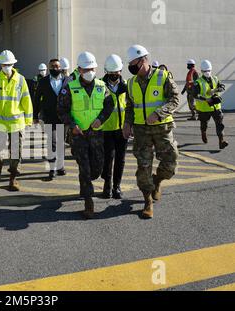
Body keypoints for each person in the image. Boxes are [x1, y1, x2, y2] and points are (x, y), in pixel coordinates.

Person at [122, 44, 180, 219]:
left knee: (171, 164)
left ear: (144, 59)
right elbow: (130, 106)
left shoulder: (162, 77)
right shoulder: (131, 83)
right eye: (130, 64)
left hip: (162, 129)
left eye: (134, 63)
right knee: (143, 166)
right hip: (141, 131)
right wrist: (127, 123)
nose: (132, 67)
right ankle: (147, 200)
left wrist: (158, 113)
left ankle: (158, 180)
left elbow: (175, 99)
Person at [58, 52, 114, 219]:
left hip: (96, 134)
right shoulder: (70, 86)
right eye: (86, 68)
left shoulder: (101, 86)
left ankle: (86, 182)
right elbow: (61, 109)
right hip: (79, 135)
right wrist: (72, 125)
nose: (89, 71)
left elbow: (109, 105)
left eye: (92, 68)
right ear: (79, 69)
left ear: (95, 68)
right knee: (85, 167)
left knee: (97, 168)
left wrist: (101, 119)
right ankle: (89, 201)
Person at [0, 50, 33, 191]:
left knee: (16, 152)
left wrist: (28, 120)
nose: (6, 66)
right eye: (4, 64)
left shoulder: (21, 80)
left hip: (16, 123)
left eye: (9, 64)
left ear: (13, 64)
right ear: (0, 65)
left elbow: (26, 99)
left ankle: (13, 178)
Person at [33, 59, 69, 180]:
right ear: (49, 68)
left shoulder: (68, 81)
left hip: (64, 117)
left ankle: (60, 167)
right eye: (52, 67)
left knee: (61, 143)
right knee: (52, 142)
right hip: (49, 117)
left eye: (57, 66)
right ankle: (52, 168)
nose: (55, 69)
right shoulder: (43, 81)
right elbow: (37, 98)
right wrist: (35, 116)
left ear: (61, 67)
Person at [100, 54, 128, 199]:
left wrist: (130, 126)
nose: (113, 75)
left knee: (120, 159)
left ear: (120, 71)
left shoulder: (126, 86)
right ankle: (107, 186)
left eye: (116, 72)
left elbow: (130, 106)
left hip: (122, 129)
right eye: (111, 73)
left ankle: (116, 186)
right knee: (107, 159)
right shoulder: (99, 85)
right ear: (106, 72)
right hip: (105, 129)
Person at [192, 59, 228, 150]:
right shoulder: (198, 82)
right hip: (204, 109)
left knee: (220, 124)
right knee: (204, 124)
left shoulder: (215, 78)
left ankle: (221, 141)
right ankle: (203, 133)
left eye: (209, 71)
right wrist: (206, 99)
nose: (207, 72)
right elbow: (195, 95)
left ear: (211, 70)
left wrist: (216, 90)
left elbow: (222, 86)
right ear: (201, 71)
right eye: (205, 71)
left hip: (216, 107)